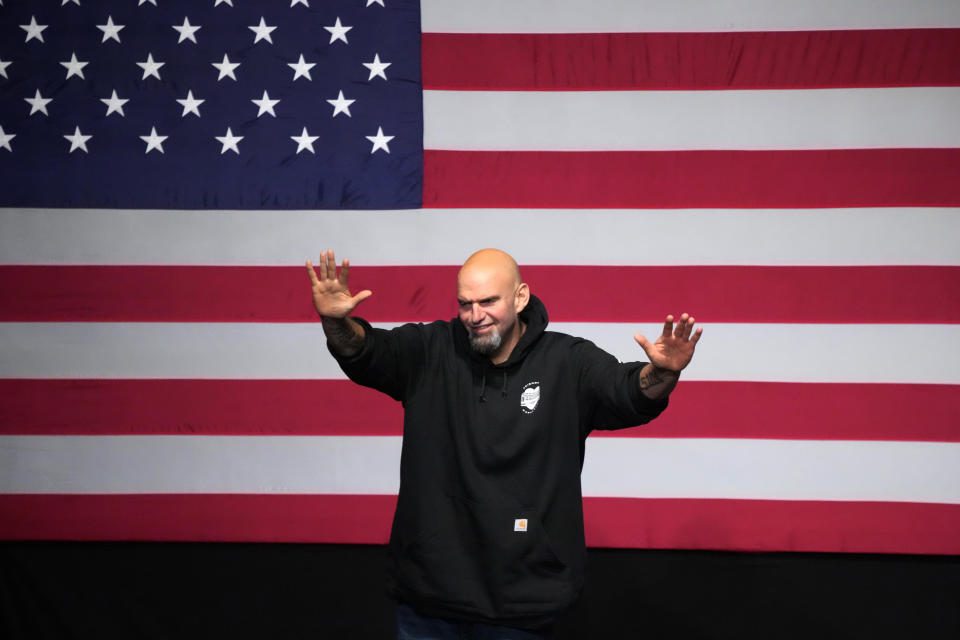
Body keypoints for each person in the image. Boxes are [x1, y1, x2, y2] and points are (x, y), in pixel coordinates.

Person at [306, 248, 702, 639]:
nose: (475, 316)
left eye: (488, 301)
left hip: (522, 602)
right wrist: (335, 323)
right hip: (429, 596)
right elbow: (363, 351)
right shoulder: (429, 350)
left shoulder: (568, 361)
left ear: (521, 297)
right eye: (465, 304)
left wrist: (663, 372)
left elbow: (629, 393)